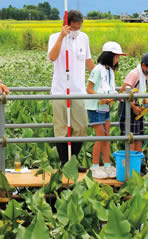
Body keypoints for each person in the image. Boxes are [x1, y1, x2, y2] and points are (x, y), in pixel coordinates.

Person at [48, 10, 94, 166]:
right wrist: (62, 36)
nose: (76, 31)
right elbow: (52, 57)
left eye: (79, 27)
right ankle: (64, 163)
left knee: (81, 126)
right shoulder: (54, 37)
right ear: (66, 25)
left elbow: (88, 60)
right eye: (74, 28)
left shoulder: (84, 38)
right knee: (61, 128)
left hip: (78, 90)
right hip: (60, 90)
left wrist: (98, 79)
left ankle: (73, 161)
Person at [86, 41, 126, 178]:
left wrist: (117, 97)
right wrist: (101, 98)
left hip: (105, 107)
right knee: (100, 137)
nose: (117, 59)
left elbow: (111, 89)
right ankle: (95, 166)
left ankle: (107, 165)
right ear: (109, 56)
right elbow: (89, 89)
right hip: (96, 107)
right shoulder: (97, 70)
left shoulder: (110, 71)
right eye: (116, 56)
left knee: (106, 137)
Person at [119, 52, 148, 152]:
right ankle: (131, 165)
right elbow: (122, 92)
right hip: (128, 108)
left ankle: (139, 165)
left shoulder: (146, 76)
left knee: (139, 138)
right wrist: (133, 107)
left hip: (138, 109)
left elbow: (141, 91)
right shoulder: (134, 74)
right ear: (144, 65)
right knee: (131, 139)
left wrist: (147, 104)